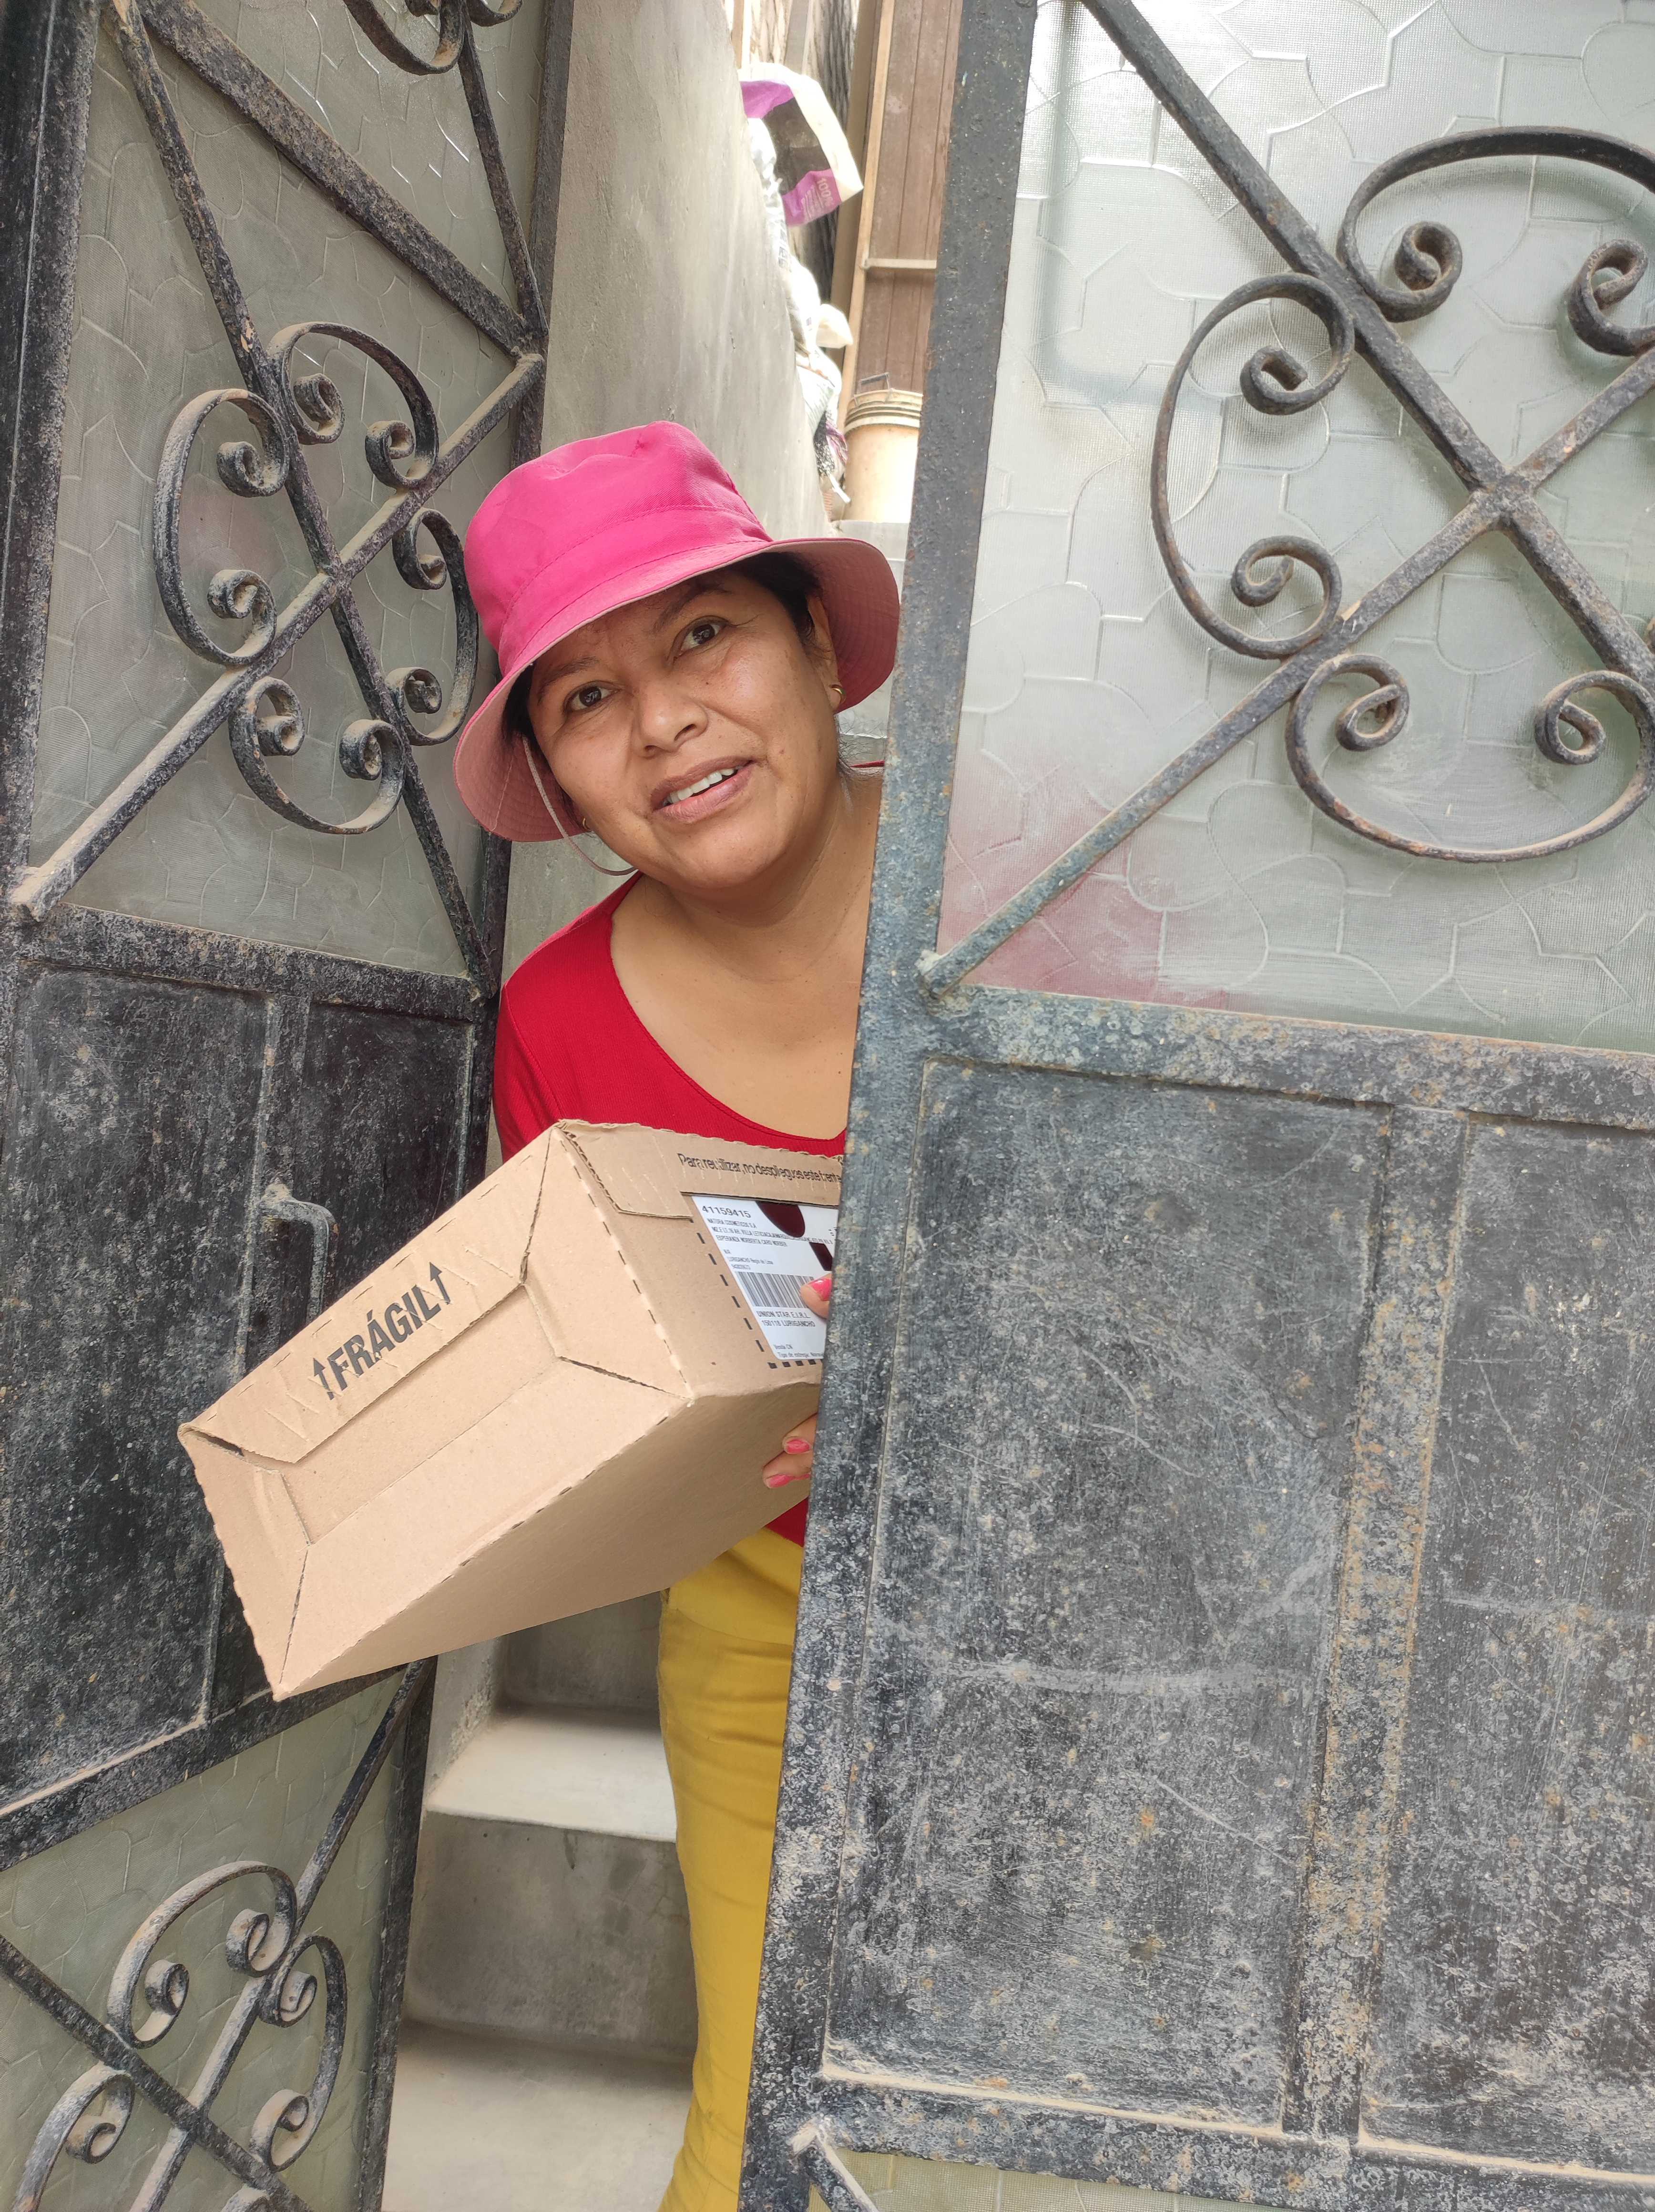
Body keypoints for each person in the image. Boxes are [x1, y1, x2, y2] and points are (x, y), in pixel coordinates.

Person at [451, 420, 899, 2212]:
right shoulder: (556, 1024)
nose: (663, 723)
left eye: (704, 635)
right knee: (759, 2136)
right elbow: (606, 1372)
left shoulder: (1009, 882)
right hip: (771, 1619)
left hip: (1120, 1606)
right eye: (587, 698)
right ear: (561, 781)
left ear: (816, 646)